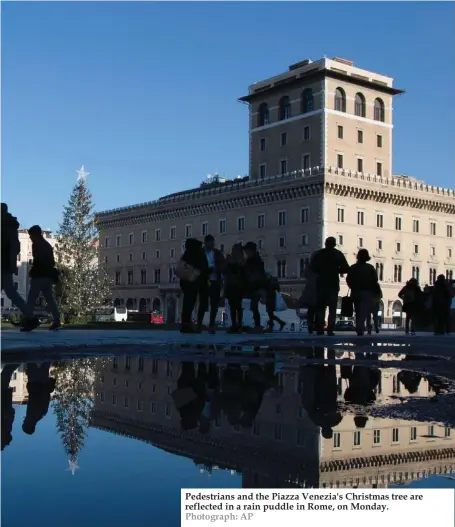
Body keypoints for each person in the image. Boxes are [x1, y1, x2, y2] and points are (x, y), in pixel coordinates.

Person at [1, 204, 39, 331]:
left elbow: (11, 247)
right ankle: (31, 317)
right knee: (11, 292)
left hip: (3, 264)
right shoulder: (11, 228)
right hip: (6, 264)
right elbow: (16, 247)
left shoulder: (5, 227)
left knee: (11, 292)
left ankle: (31, 317)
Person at [24, 225, 61, 331]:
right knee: (50, 299)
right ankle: (57, 320)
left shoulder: (37, 245)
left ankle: (29, 320)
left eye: (31, 235)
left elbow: (37, 260)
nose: (30, 238)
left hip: (39, 275)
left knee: (31, 298)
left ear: (35, 235)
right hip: (48, 276)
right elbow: (52, 262)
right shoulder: (47, 245)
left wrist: (33, 270)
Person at [311, 237, 350, 336]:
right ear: (334, 244)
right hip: (333, 283)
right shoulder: (338, 254)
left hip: (321, 282)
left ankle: (319, 328)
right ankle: (330, 329)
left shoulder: (319, 254)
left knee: (321, 307)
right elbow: (346, 268)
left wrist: (321, 271)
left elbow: (313, 267)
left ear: (325, 243)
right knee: (332, 308)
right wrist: (337, 270)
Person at [178, 238, 209, 333]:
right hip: (194, 282)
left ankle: (185, 324)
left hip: (185, 281)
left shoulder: (186, 255)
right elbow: (204, 268)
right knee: (190, 302)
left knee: (187, 303)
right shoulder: (198, 255)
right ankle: (187, 324)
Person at [346, 249, 380, 336]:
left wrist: (352, 286)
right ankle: (360, 328)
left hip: (356, 291)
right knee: (364, 311)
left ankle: (359, 329)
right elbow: (375, 280)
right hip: (367, 292)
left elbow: (348, 279)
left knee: (358, 310)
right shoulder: (370, 268)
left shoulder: (353, 267)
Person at [200, 235, 226, 334]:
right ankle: (199, 323)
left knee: (214, 304)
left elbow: (223, 265)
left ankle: (211, 324)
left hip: (215, 280)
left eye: (213, 243)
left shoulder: (217, 253)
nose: (212, 245)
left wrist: (217, 269)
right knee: (203, 303)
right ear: (206, 243)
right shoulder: (201, 253)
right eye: (211, 243)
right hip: (204, 280)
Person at [242, 242, 266, 332]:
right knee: (253, 306)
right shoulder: (254, 260)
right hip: (255, 285)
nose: (246, 252)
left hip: (256, 286)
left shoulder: (255, 260)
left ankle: (257, 325)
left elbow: (257, 274)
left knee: (254, 306)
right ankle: (257, 325)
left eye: (247, 251)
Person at [223, 243, 245, 333]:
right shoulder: (235, 260)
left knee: (237, 306)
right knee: (234, 306)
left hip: (236, 285)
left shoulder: (240, 260)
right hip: (233, 285)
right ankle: (235, 325)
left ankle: (237, 325)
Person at [299, 252, 318, 334]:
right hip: (318, 289)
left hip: (310, 289)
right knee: (318, 308)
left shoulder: (310, 267)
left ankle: (311, 325)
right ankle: (318, 326)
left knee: (311, 310)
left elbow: (304, 275)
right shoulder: (321, 267)